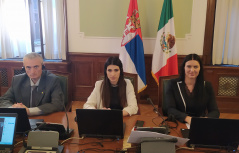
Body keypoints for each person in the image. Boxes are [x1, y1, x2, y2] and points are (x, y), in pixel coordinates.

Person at [164, 53, 220, 124]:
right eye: (189, 66)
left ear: (200, 69)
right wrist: (187, 119)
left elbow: (215, 111)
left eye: (195, 67)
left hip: (200, 123)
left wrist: (205, 120)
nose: (192, 70)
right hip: (179, 122)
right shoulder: (173, 84)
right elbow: (170, 109)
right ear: (184, 67)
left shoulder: (207, 86)